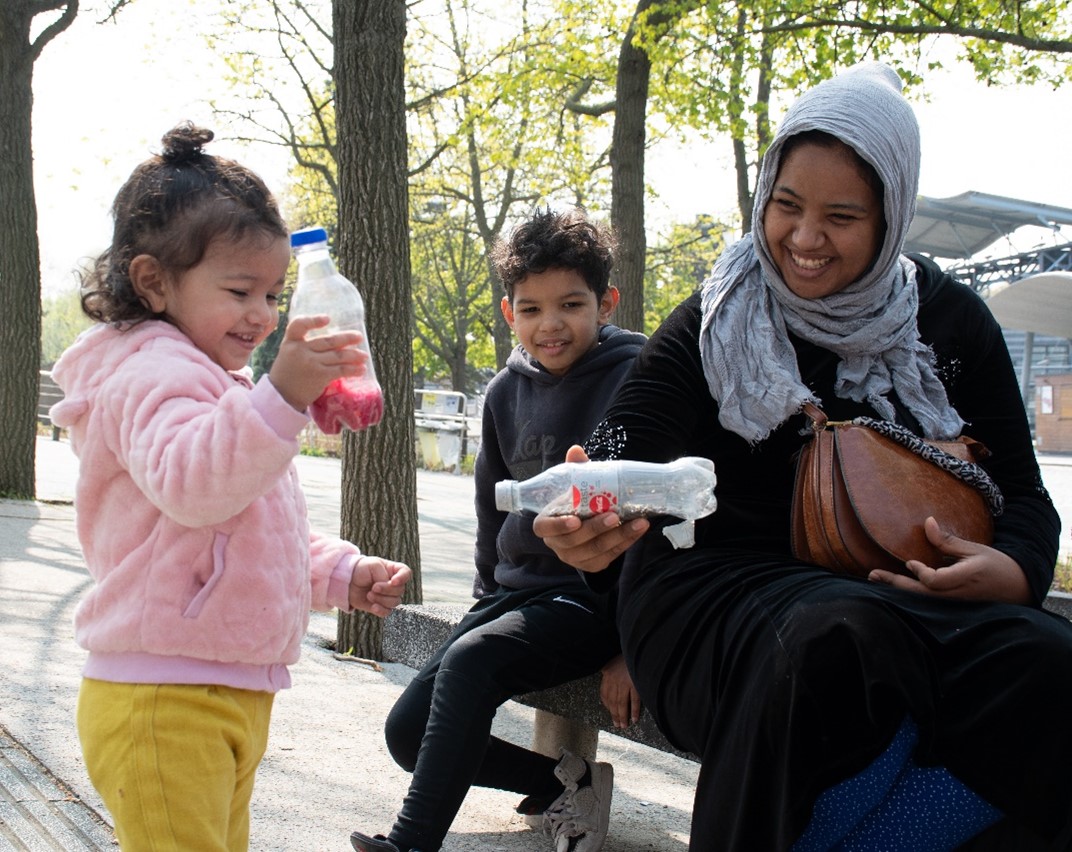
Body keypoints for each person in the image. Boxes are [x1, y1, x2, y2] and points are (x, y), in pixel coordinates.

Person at [534, 63, 1072, 851]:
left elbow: (1024, 497)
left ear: (892, 213)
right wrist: (585, 519)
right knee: (841, 641)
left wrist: (1017, 571)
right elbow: (620, 454)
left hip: (910, 596)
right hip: (712, 592)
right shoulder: (717, 315)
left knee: (1048, 663)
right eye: (786, 205)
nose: (804, 239)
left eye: (842, 216)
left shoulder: (952, 323)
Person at [48, 122, 412, 852]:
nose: (264, 315)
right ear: (154, 281)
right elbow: (195, 487)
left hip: (220, 689)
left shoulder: (216, 382)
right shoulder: (150, 371)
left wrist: (338, 571)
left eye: (273, 293)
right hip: (161, 698)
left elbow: (243, 523)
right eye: (240, 290)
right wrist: (279, 396)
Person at [350, 207, 646, 852]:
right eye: (532, 308)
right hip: (515, 595)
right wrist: (485, 599)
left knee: (473, 662)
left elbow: (662, 523)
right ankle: (570, 783)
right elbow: (492, 510)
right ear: (510, 313)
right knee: (407, 734)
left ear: (606, 303)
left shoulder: (638, 380)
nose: (552, 324)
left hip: (593, 599)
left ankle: (409, 844)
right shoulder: (506, 392)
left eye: (571, 304)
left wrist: (632, 641)